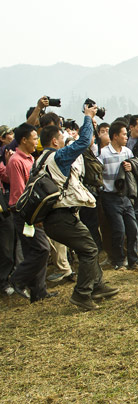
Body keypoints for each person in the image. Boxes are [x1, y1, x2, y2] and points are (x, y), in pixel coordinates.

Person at [39, 107, 120, 310]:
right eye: (61, 136)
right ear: (55, 142)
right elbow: (84, 142)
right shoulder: (58, 157)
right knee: (90, 249)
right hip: (61, 216)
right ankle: (82, 294)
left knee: (88, 244)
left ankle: (98, 286)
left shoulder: (40, 160)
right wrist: (88, 117)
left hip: (57, 217)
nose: (65, 138)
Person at [7, 123, 56, 303]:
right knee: (42, 249)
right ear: (24, 140)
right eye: (34, 138)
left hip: (31, 213)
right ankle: (18, 279)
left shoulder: (29, 159)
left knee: (33, 251)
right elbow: (21, 194)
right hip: (25, 214)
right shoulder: (16, 161)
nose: (37, 141)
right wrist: (34, 217)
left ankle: (38, 291)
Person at [98, 121, 138, 270]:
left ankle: (134, 259)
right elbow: (97, 173)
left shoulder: (127, 152)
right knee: (119, 230)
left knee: (133, 228)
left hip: (125, 196)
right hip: (109, 197)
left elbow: (133, 171)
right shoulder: (103, 153)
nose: (126, 137)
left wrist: (130, 167)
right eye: (124, 134)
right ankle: (119, 260)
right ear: (115, 136)